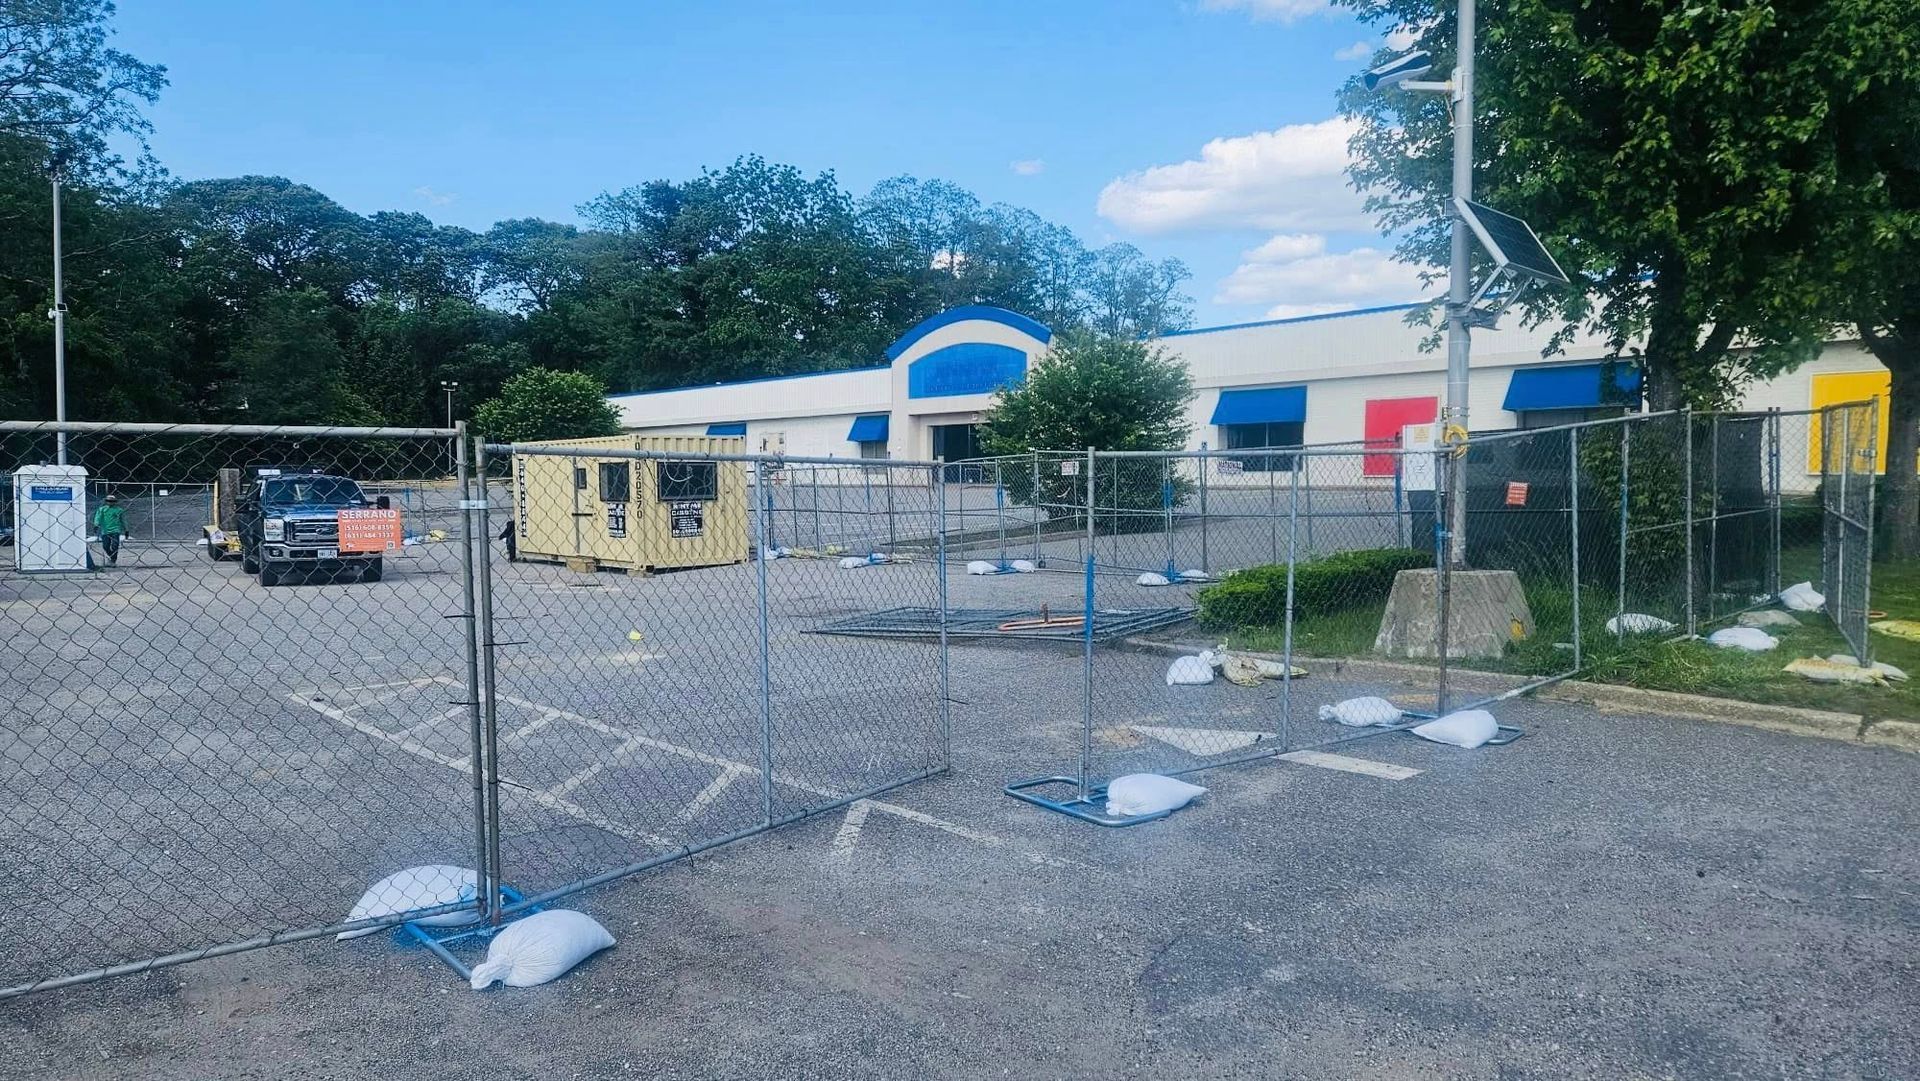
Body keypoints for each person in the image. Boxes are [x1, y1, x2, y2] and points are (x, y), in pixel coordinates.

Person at [92, 494, 127, 566]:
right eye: (108, 501)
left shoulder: (119, 510)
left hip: (115, 530)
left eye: (112, 501)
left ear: (115, 502)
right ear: (106, 501)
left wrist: (126, 529)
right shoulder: (102, 509)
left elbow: (123, 520)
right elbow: (97, 517)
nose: (110, 502)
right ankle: (111, 557)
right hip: (105, 530)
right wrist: (96, 525)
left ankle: (113, 561)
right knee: (105, 546)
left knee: (115, 546)